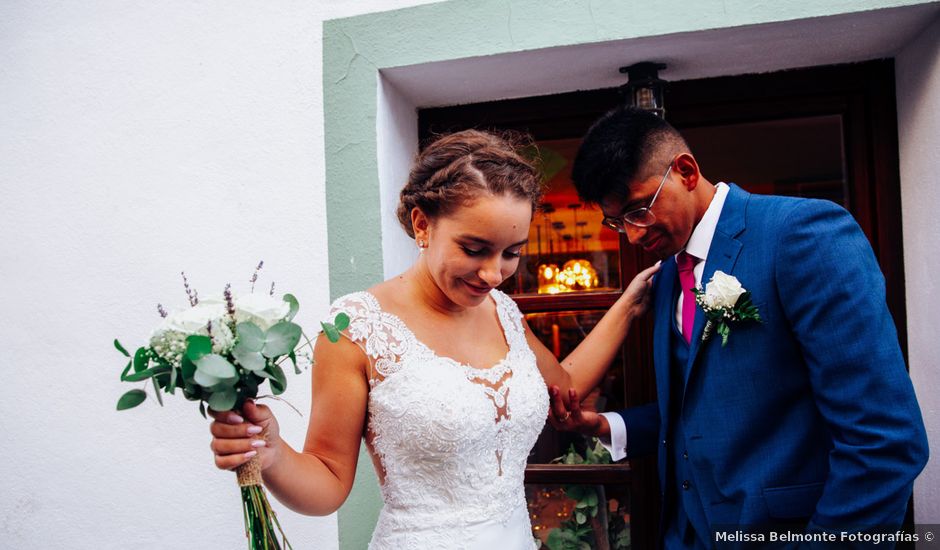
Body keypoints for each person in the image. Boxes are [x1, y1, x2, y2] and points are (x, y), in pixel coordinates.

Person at [207, 129, 660, 549]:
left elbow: (566, 387)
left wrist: (629, 304)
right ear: (423, 225)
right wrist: (272, 454)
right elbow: (326, 482)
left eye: (511, 253)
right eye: (474, 249)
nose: (492, 274)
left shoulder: (504, 312)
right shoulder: (356, 327)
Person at [548, 106, 928, 548]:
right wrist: (608, 426)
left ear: (686, 171)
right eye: (617, 222)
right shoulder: (669, 272)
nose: (632, 235)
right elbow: (710, 404)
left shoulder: (803, 235)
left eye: (639, 210)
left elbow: (885, 442)